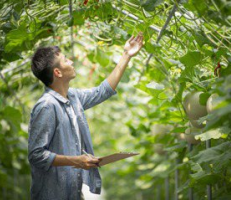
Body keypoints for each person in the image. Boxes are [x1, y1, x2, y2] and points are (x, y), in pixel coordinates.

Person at [28, 32, 144, 200]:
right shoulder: (47, 106)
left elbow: (102, 91)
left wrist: (127, 55)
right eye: (66, 60)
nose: (71, 61)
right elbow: (36, 155)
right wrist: (76, 161)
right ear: (58, 72)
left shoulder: (74, 98)